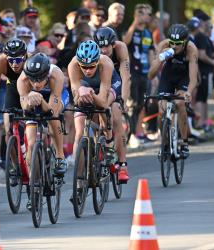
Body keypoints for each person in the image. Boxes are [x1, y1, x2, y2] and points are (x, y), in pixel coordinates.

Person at [148, 24, 199, 158]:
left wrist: (188, 91)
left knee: (180, 104)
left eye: (178, 43)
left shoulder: (191, 48)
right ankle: (164, 143)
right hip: (168, 75)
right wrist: (160, 59)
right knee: (161, 109)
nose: (174, 46)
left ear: (185, 42)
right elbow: (151, 75)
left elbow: (193, 78)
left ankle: (184, 142)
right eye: (172, 43)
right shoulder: (164, 45)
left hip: (184, 76)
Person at [68, 40, 116, 175]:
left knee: (105, 109)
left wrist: (89, 92)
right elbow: (77, 99)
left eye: (92, 66)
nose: (88, 70)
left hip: (107, 85)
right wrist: (82, 90)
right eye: (84, 66)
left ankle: (109, 142)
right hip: (86, 87)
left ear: (97, 62)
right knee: (79, 133)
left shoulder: (105, 63)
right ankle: (78, 182)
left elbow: (102, 101)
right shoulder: (73, 65)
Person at [17, 53, 69, 177]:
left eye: (40, 79)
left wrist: (41, 100)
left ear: (46, 75)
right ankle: (32, 179)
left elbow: (52, 111)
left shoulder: (56, 75)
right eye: (33, 79)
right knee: (30, 142)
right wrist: (29, 101)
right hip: (34, 98)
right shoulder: (22, 79)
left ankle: (60, 157)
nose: (36, 84)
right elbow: (25, 108)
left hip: (56, 95)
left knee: (53, 118)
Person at [94, 27, 131, 182]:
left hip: (116, 83)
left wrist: (123, 99)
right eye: (100, 47)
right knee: (95, 115)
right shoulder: (95, 51)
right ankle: (99, 152)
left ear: (113, 44)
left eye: (106, 46)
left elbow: (125, 77)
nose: (103, 50)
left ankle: (122, 165)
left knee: (116, 118)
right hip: (100, 81)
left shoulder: (121, 48)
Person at [123, 4, 155, 145]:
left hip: (145, 72)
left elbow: (151, 52)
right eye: (146, 14)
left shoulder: (148, 33)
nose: (148, 16)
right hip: (133, 72)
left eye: (149, 14)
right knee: (133, 104)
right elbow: (125, 42)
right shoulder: (131, 29)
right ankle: (130, 135)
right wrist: (135, 22)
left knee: (142, 103)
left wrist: (153, 73)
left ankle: (138, 132)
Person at [0, 38, 28, 149]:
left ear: (24, 56)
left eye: (18, 60)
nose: (14, 64)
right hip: (13, 89)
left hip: (31, 90)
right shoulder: (0, 62)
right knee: (9, 131)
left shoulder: (31, 60)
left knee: (32, 127)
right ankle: (15, 165)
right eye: (11, 60)